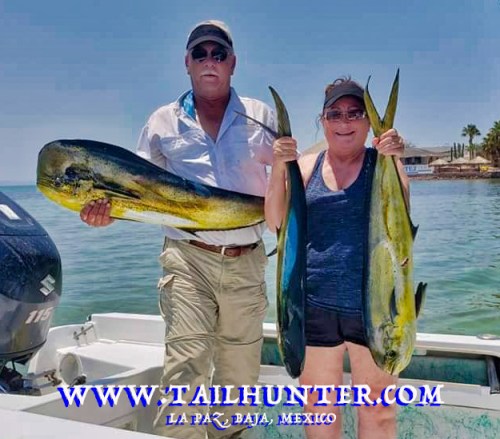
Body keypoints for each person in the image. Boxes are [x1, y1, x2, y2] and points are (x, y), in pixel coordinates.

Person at [80, 20, 276, 439]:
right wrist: (107, 213)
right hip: (187, 260)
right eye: (200, 54)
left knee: (239, 382)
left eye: (219, 54)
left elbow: (288, 180)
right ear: (186, 63)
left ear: (233, 63)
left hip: (246, 262)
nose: (209, 61)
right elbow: (135, 189)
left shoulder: (260, 116)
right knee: (185, 373)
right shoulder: (162, 122)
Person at [265, 77, 408, 439]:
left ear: (367, 122)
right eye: (335, 114)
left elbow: (402, 218)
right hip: (314, 308)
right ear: (323, 121)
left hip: (374, 310)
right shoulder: (306, 168)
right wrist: (280, 166)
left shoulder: (382, 165)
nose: (345, 122)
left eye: (354, 113)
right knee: (319, 413)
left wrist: (396, 158)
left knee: (378, 412)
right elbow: (276, 223)